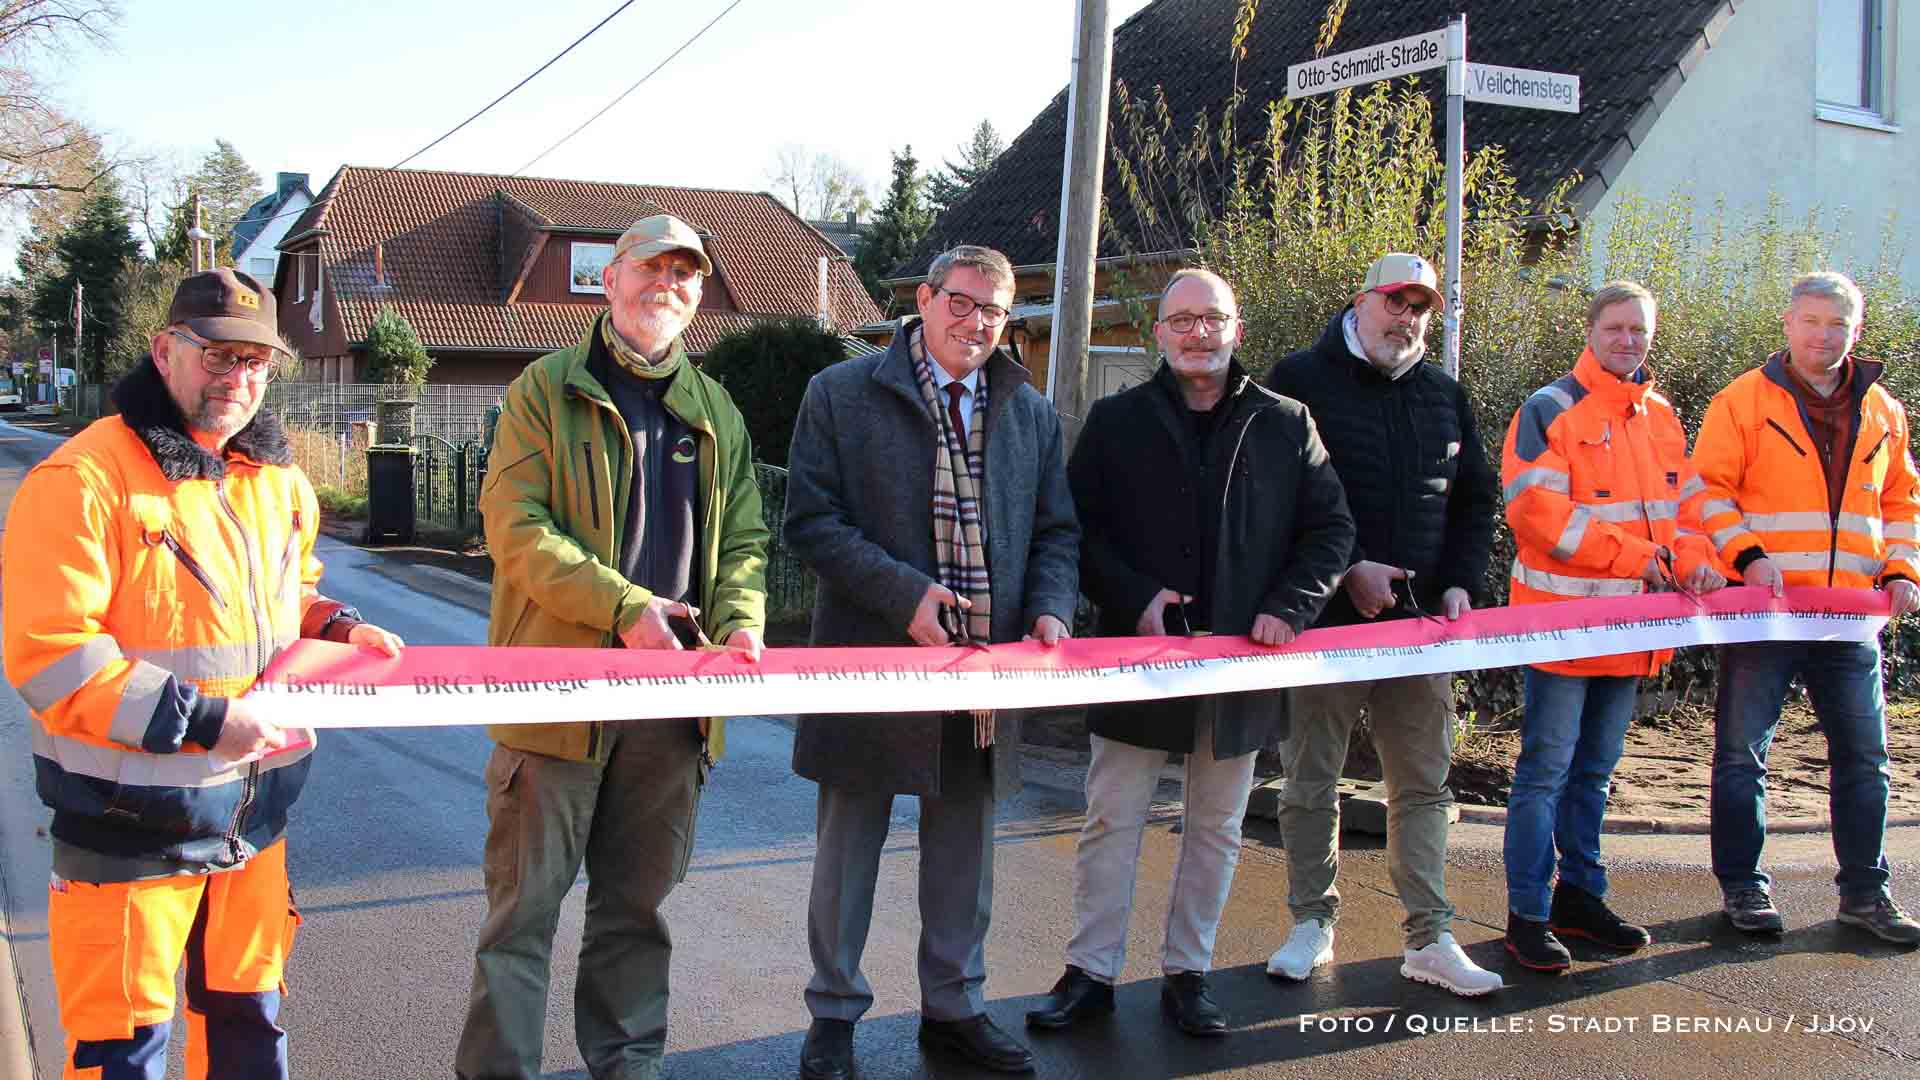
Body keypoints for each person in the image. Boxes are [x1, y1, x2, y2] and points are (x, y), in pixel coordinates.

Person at [2, 267, 404, 1080]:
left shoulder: (280, 484)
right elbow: (51, 655)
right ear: (165, 353)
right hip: (129, 832)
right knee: (124, 1051)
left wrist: (341, 627)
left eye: (255, 361)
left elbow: (290, 597)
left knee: (247, 1030)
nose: (239, 377)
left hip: (251, 822)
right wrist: (212, 722)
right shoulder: (82, 480)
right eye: (219, 355)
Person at [456, 214, 769, 1079]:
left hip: (671, 714)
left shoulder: (716, 412)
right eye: (649, 268)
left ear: (699, 296)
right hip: (556, 707)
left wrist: (742, 617)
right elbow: (514, 528)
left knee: (636, 916)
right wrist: (624, 607)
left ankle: (628, 1066)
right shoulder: (542, 390)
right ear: (608, 278)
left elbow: (744, 537)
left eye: (685, 275)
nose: (665, 286)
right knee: (520, 921)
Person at [1028, 268, 1352, 1036]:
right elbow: (1079, 531)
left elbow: (1331, 531)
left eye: (1212, 318)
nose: (1197, 333)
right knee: (1112, 819)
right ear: (1160, 333)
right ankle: (1090, 973)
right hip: (1140, 659)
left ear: (1237, 327)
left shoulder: (1285, 422)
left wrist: (1288, 607)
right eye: (1182, 320)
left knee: (1215, 827)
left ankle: (1188, 975)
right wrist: (1136, 597)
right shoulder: (1117, 421)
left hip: (1243, 662)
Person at [784, 244, 1079, 1077]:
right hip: (869, 664)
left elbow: (1057, 530)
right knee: (848, 850)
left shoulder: (1029, 410)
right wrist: (903, 595)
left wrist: (1052, 605)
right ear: (924, 299)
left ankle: (954, 1008)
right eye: (961, 302)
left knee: (964, 851)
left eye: (994, 309)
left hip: (984, 670)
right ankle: (833, 1018)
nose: (976, 322)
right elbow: (811, 521)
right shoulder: (840, 394)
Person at [1264, 252, 1503, 996]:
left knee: (1424, 785)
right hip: (1322, 626)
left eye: (1421, 307)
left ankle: (1429, 937)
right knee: (1310, 778)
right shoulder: (1298, 380)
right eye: (1396, 302)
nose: (1407, 318)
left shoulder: (1444, 395)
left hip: (1420, 630)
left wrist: (1464, 581)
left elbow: (1475, 499)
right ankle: (1312, 921)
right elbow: (1274, 498)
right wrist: (1346, 571)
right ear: (1361, 301)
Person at [1498, 281, 1726, 972]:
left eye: (1639, 330)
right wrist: (1643, 560)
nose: (1628, 340)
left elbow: (1685, 510)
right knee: (1546, 772)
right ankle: (1529, 914)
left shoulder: (1660, 414)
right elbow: (1537, 513)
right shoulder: (1549, 409)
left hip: (1631, 629)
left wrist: (1697, 560)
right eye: (1616, 328)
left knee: (1594, 774)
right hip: (1565, 627)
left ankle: (1581, 898)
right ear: (1591, 330)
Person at [1694, 270, 1920, 943]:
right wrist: (1747, 557)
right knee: (1741, 756)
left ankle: (1866, 894)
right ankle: (1743, 888)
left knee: (1865, 757)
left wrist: (1904, 569)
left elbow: (1903, 501)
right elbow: (1709, 492)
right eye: (1812, 321)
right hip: (1767, 611)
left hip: (1851, 616)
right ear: (1788, 323)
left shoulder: (1884, 409)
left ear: (1857, 330)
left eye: (1838, 325)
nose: (1824, 336)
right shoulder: (1741, 401)